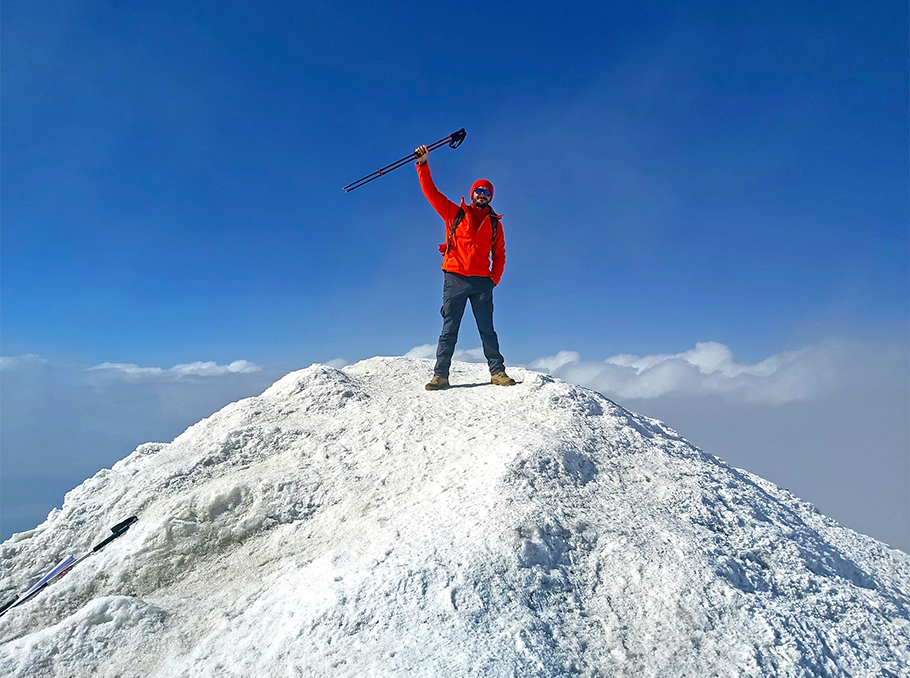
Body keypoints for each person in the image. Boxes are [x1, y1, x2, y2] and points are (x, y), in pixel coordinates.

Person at [415, 143, 516, 390]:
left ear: (491, 197)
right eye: (479, 190)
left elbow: (500, 253)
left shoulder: (495, 225)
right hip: (455, 278)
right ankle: (440, 376)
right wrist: (423, 164)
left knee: (487, 330)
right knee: (449, 328)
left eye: (487, 193)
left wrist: (494, 279)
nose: (482, 195)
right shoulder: (454, 213)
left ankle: (497, 372)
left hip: (482, 281)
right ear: (472, 193)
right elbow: (431, 193)